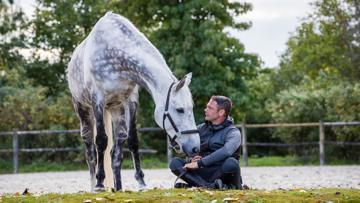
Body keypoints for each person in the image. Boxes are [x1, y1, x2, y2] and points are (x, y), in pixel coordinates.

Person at [169, 95, 243, 189]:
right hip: (201, 172)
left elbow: (226, 151)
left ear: (221, 112)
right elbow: (189, 146)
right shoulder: (200, 128)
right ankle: (208, 186)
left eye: (210, 108)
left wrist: (200, 163)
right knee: (175, 163)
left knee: (232, 163)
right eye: (207, 106)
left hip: (221, 172)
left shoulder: (233, 132)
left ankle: (197, 184)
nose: (205, 110)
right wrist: (191, 158)